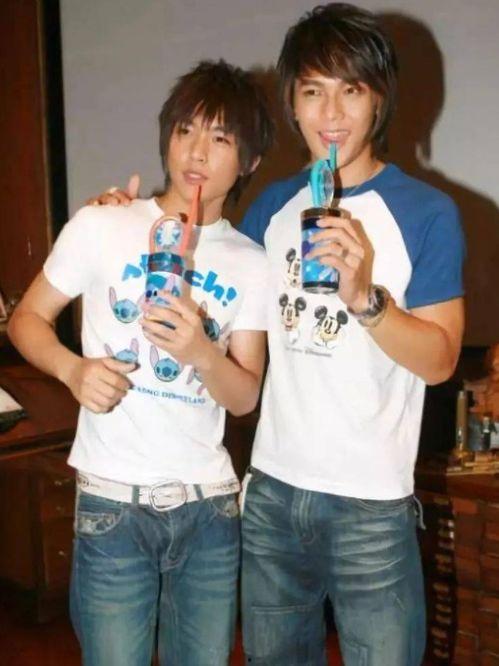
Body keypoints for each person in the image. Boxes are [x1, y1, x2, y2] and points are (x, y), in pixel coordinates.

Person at [88, 4, 465, 664]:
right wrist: (121, 216)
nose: (331, 113)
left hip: (372, 507)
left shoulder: (426, 213)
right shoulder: (270, 208)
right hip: (270, 497)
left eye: (351, 90)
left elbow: (439, 361)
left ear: (379, 98)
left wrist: (365, 299)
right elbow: (207, 256)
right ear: (292, 102)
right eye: (312, 91)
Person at [8, 59, 273, 666]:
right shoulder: (103, 224)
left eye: (220, 138)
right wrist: (73, 370)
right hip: (113, 505)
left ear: (250, 160)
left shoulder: (250, 262)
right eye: (185, 130)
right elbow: (27, 319)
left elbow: (245, 396)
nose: (196, 152)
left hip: (209, 508)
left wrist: (201, 352)